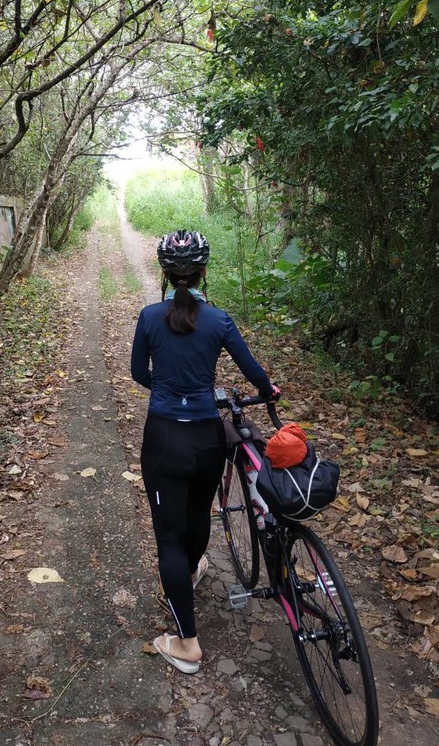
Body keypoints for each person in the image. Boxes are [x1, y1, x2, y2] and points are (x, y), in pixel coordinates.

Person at [131, 228, 279, 674]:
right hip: (206, 440)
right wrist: (267, 390)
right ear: (203, 271)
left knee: (168, 539)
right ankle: (194, 570)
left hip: (163, 440)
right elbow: (255, 374)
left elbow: (140, 373)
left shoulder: (148, 316)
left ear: (164, 272)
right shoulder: (219, 320)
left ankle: (186, 644)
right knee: (197, 517)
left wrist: (170, 392)